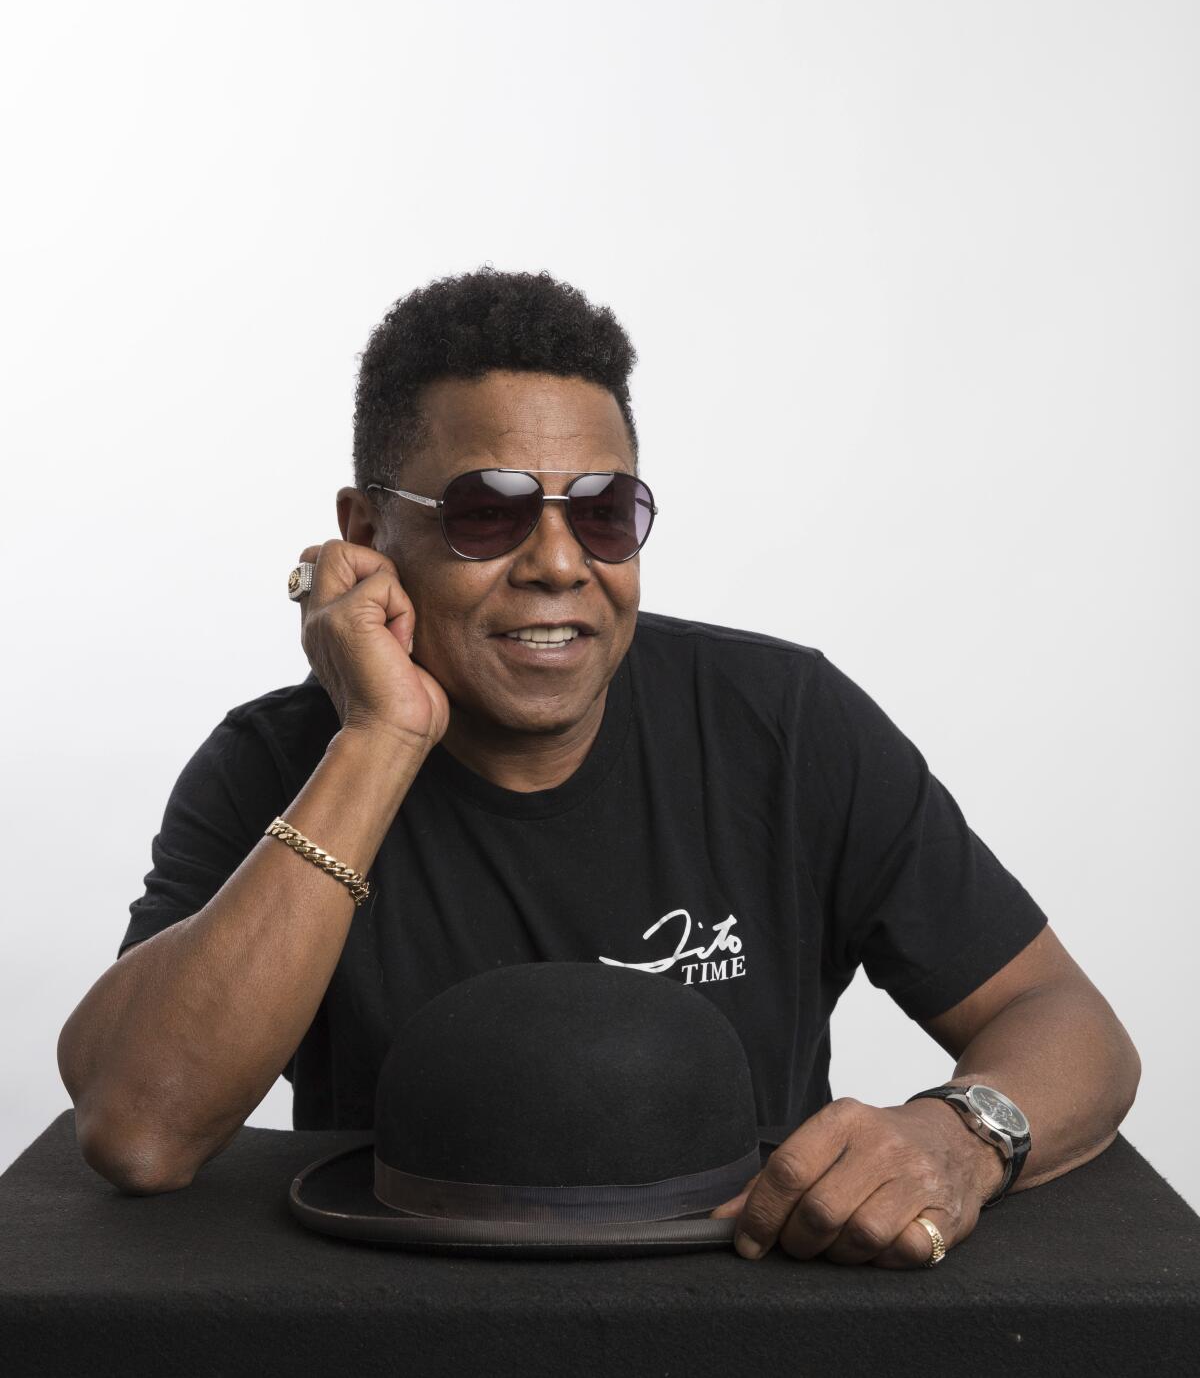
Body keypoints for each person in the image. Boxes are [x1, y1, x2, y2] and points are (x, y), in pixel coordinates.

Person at [57, 266, 1141, 1269]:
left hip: (744, 1309)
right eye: (488, 511)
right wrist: (378, 739)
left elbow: (1066, 1018)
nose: (561, 562)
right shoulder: (278, 766)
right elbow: (140, 1130)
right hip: (398, 1316)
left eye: (604, 511)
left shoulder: (786, 725)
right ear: (367, 530)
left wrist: (959, 1134)